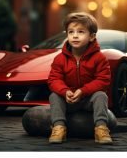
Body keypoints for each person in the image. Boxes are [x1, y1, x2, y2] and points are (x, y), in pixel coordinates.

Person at [47, 12, 113, 144]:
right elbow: (54, 79)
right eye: (71, 32)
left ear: (92, 37)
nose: (75, 35)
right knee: (54, 96)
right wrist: (65, 91)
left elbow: (103, 80)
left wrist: (83, 91)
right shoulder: (60, 58)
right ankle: (59, 128)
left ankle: (101, 128)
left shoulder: (99, 58)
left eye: (81, 32)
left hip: (89, 100)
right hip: (68, 100)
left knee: (101, 95)